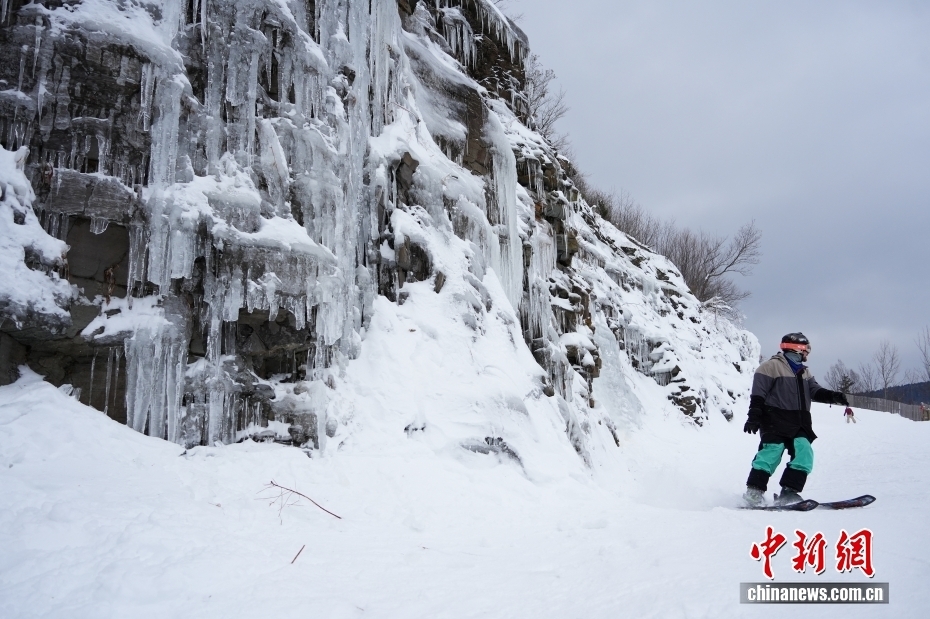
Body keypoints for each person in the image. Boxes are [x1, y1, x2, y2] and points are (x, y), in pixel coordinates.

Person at [742, 333, 849, 507]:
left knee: (804, 453)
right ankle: (754, 492)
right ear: (797, 348)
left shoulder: (804, 371)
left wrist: (833, 396)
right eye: (806, 349)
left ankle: (789, 492)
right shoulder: (769, 367)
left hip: (799, 421)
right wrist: (753, 416)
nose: (808, 353)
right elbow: (758, 395)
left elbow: (814, 391)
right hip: (774, 418)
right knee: (771, 453)